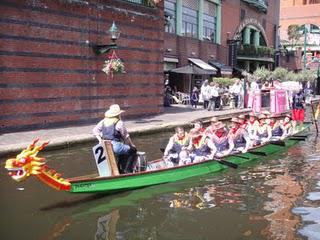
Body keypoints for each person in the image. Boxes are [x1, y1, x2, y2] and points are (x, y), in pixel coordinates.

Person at [93, 104, 137, 173]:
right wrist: (132, 145)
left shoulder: (103, 121)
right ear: (118, 114)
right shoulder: (119, 123)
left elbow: (95, 130)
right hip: (115, 146)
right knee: (132, 151)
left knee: (122, 152)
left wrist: (100, 140)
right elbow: (126, 136)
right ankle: (127, 171)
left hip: (105, 147)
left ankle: (119, 171)